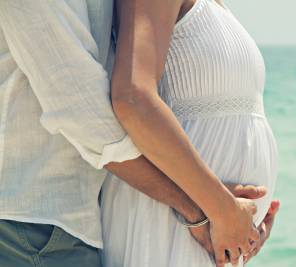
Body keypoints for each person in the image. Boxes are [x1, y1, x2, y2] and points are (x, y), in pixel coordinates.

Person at [0, 1, 279, 267]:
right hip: (34, 224)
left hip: (76, 221)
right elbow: (84, 109)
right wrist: (212, 210)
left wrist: (239, 223)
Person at [101, 0, 279, 266]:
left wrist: (245, 225)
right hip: (169, 224)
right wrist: (222, 210)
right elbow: (132, 99)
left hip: (205, 228)